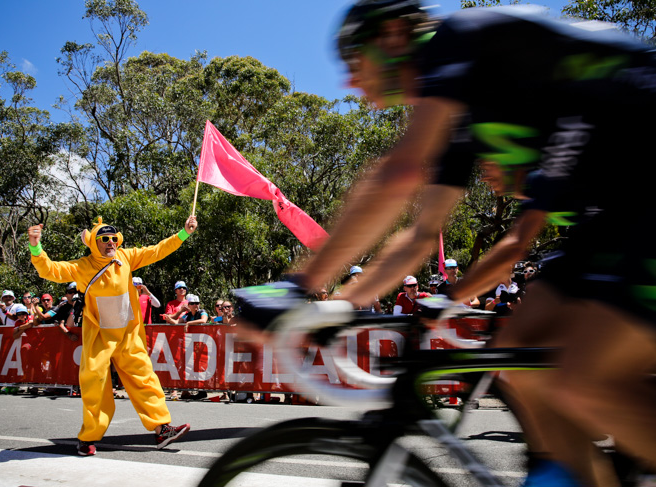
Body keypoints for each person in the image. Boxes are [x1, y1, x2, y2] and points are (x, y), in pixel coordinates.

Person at [235, 2, 656, 485]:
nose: (350, 82)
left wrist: (300, 286)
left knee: (584, 381)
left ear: (393, 35)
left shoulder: (463, 38)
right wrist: (342, 306)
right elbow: (419, 234)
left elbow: (401, 174)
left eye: (354, 62)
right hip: (613, 211)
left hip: (640, 193)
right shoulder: (464, 121)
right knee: (516, 354)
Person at [27, 215, 196, 455]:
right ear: (93, 243)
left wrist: (184, 233)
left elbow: (158, 250)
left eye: (113, 238)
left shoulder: (126, 257)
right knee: (95, 386)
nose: (110, 243)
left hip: (128, 336)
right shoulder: (83, 266)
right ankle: (87, 439)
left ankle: (162, 430)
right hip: (99, 338)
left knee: (145, 379)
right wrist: (36, 246)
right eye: (104, 239)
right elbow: (49, 269)